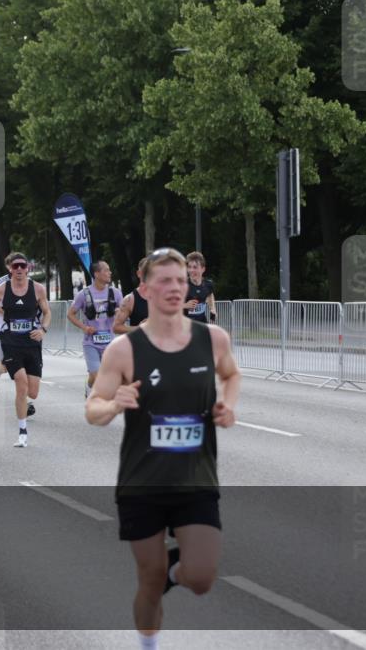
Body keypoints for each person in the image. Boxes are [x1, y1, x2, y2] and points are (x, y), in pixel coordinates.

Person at [85, 247, 240, 650]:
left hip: (196, 478)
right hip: (143, 482)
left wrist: (228, 405)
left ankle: (173, 573)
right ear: (146, 288)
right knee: (149, 582)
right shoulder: (125, 349)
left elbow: (231, 374)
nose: (175, 288)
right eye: (165, 281)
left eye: (181, 281)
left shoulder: (213, 339)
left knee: (201, 576)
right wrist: (113, 405)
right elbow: (93, 409)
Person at [0, 252, 51, 448]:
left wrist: (43, 330)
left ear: (28, 268)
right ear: (10, 269)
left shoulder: (38, 288)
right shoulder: (1, 289)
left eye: (23, 266)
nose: (20, 269)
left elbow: (47, 312)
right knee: (21, 385)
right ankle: (22, 432)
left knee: (33, 392)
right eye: (16, 266)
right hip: (10, 341)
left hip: (32, 342)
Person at [68, 261, 124, 399]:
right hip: (91, 344)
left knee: (103, 376)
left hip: (110, 343)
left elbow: (124, 313)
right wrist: (84, 327)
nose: (110, 273)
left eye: (109, 270)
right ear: (97, 274)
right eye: (106, 270)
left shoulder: (115, 293)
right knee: (98, 376)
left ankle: (89, 386)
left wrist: (119, 313)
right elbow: (70, 314)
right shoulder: (83, 294)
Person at [114, 257, 150, 335]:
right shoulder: (130, 299)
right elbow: (116, 327)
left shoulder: (163, 296)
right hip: (139, 342)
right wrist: (139, 328)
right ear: (138, 273)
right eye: (145, 271)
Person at [184, 252, 217, 324]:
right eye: (189, 267)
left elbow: (210, 294)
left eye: (195, 267)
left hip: (202, 323)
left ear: (203, 269)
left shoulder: (208, 284)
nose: (191, 270)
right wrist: (184, 305)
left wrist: (212, 308)